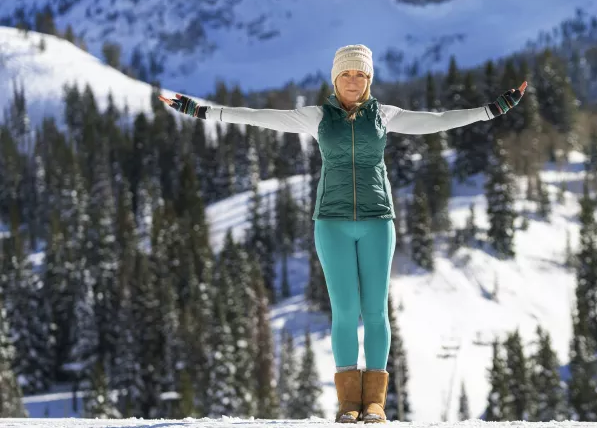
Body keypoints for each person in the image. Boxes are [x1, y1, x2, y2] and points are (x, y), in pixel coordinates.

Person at [159, 44, 527, 423]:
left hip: (378, 221)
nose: (354, 81)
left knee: (376, 311)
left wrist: (491, 110)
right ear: (335, 78)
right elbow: (257, 117)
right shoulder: (315, 117)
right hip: (331, 222)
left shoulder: (385, 115)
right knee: (345, 312)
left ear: (369, 80)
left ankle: (375, 405)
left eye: (361, 75)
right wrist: (199, 109)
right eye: (347, 74)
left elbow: (438, 119)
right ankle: (349, 403)